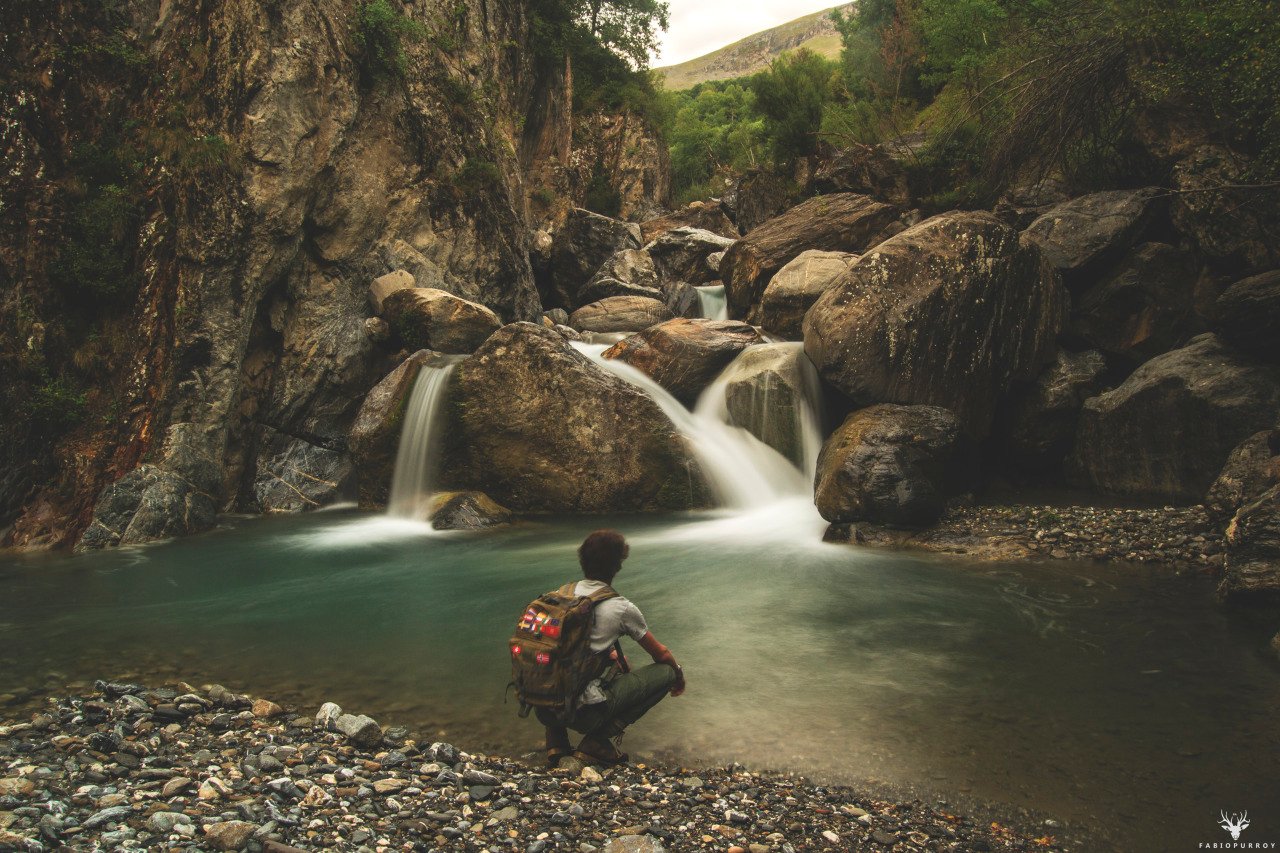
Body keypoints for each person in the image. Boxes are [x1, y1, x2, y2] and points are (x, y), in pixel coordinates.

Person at [538, 529, 686, 766]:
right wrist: (678, 674)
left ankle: (556, 739)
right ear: (617, 566)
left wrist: (608, 653)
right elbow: (661, 654)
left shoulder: (558, 596)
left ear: (583, 562)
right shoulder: (620, 608)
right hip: (584, 714)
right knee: (665, 673)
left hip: (542, 704)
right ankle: (596, 742)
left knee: (551, 656)